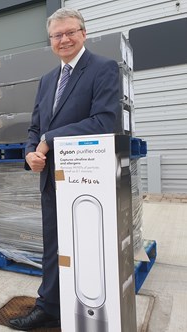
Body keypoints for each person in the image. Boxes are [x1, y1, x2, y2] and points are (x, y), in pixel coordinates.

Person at [9, 8, 119, 330]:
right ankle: (49, 307)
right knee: (53, 247)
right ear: (51, 41)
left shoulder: (102, 68)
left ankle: (87, 307)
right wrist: (31, 153)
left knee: (88, 247)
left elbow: (105, 120)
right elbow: (33, 128)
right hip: (51, 180)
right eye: (57, 35)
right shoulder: (46, 81)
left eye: (70, 32)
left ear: (83, 33)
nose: (64, 39)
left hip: (87, 179)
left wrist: (49, 139)